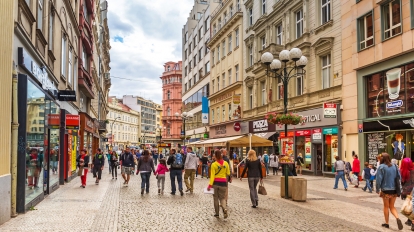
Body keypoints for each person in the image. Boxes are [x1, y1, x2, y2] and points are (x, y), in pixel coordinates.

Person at [376, 153, 403, 230]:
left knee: (386, 206)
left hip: (385, 190)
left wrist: (378, 189)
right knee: (392, 206)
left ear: (382, 159)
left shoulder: (381, 167)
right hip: (394, 190)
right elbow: (399, 177)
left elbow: (378, 180)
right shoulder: (394, 166)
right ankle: (397, 218)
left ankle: (387, 223)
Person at [207, 149, 230, 219]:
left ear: (215, 156)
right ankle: (224, 208)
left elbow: (212, 176)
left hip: (215, 183)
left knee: (216, 198)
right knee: (222, 198)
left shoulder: (213, 164)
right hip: (223, 183)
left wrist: (210, 185)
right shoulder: (226, 163)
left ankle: (217, 213)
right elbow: (228, 173)